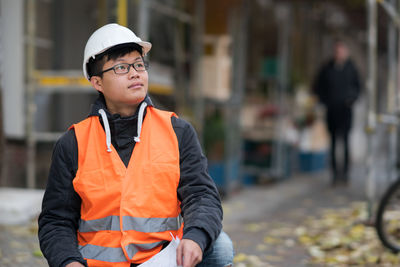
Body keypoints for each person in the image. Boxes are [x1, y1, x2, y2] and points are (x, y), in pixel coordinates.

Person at [38, 23, 234, 267]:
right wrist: (69, 262)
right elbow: (56, 220)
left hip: (162, 260)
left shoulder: (178, 132)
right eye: (121, 67)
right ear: (97, 83)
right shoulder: (73, 143)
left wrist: (195, 237)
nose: (135, 73)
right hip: (99, 264)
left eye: (139, 65)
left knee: (220, 248)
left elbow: (202, 195)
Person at [313, 39, 361, 185]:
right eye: (337, 51)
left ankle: (345, 174)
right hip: (332, 111)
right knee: (333, 143)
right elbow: (318, 86)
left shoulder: (352, 68)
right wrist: (324, 101)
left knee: (345, 142)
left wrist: (351, 99)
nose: (339, 54)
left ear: (346, 52)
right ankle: (334, 175)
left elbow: (358, 88)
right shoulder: (327, 68)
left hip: (345, 112)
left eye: (341, 51)